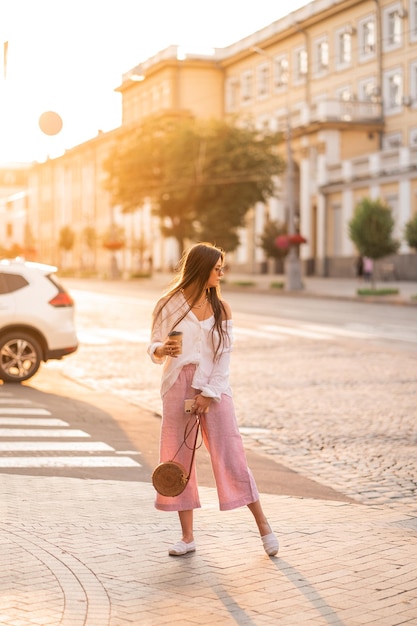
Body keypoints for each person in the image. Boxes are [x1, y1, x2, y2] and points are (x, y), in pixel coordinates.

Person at [147, 242, 279, 557]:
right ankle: (188, 537)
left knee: (232, 455)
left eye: (222, 268)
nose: (221, 273)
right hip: (177, 384)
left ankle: (265, 528)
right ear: (201, 268)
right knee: (177, 460)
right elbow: (152, 345)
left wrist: (208, 393)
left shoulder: (222, 309)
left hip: (215, 389)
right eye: (217, 268)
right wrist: (162, 349)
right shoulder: (168, 305)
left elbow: (224, 357)